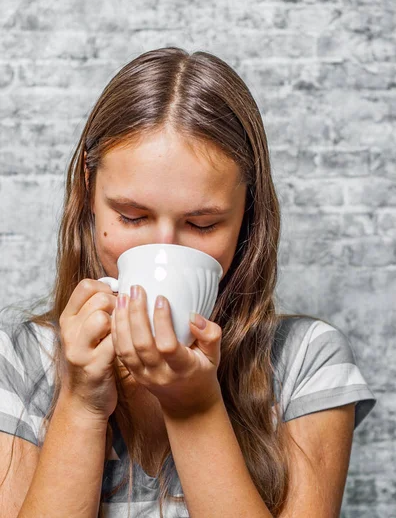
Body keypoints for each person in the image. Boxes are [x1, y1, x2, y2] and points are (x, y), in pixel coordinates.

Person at [0, 46, 376, 518]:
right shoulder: (17, 360)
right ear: (88, 197)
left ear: (248, 218)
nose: (164, 248)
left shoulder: (307, 361)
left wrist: (193, 408)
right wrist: (81, 404)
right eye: (132, 216)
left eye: (202, 225)